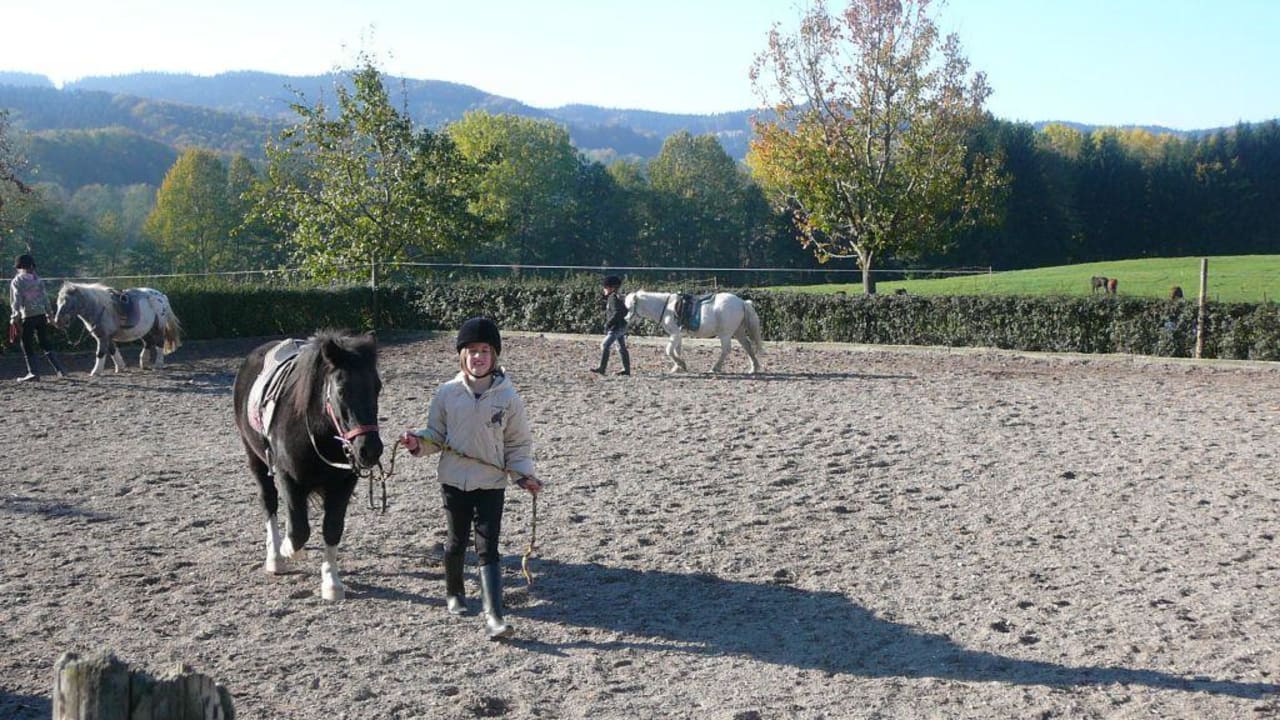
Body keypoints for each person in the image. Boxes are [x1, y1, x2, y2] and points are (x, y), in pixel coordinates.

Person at [399, 317, 542, 640]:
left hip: (491, 484)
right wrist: (418, 442)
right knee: (455, 542)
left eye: (485, 351)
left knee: (488, 548)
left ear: (495, 356)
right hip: (453, 481)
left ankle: (494, 615)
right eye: (472, 351)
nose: (478, 357)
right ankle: (454, 592)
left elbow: (517, 444)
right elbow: (436, 434)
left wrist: (523, 476)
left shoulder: (509, 397)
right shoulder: (447, 393)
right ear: (461, 356)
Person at [8, 253, 66, 382]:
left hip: (27, 316)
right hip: (41, 316)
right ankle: (60, 370)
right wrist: (50, 315)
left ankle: (33, 373)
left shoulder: (17, 281)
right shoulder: (37, 279)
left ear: (19, 266)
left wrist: (14, 316)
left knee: (26, 343)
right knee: (44, 341)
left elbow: (16, 300)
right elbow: (45, 298)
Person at [590, 274, 630, 376]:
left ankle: (602, 368)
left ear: (611, 288)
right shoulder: (618, 297)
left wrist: (609, 323)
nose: (604, 289)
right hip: (621, 326)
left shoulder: (612, 298)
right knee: (621, 347)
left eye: (605, 287)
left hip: (616, 327)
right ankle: (626, 370)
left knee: (605, 345)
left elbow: (617, 312)